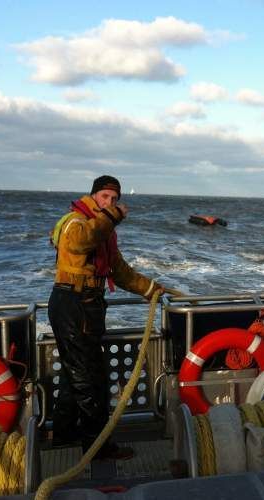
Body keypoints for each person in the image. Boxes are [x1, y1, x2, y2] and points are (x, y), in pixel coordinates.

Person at [48, 175, 171, 460]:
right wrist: (113, 216)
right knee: (90, 380)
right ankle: (97, 447)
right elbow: (80, 243)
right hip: (72, 304)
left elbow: (119, 270)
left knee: (74, 375)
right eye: (105, 197)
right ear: (93, 196)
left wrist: (150, 288)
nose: (110, 203)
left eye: (115, 200)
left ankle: (63, 437)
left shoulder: (102, 230)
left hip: (87, 306)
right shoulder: (75, 222)